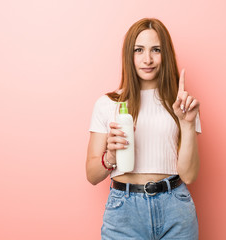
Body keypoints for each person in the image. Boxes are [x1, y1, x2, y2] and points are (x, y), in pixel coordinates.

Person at [86, 18, 202, 239]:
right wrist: (110, 156)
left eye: (156, 50)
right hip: (124, 213)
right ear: (129, 55)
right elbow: (91, 175)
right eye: (139, 50)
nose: (147, 59)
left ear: (165, 54)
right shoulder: (108, 103)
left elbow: (189, 175)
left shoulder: (182, 105)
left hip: (175, 208)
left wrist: (187, 125)